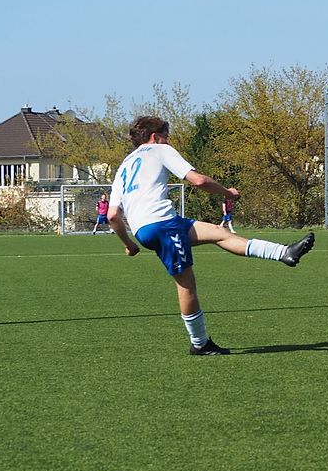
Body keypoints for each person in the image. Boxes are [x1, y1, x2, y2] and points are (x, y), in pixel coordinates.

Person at [107, 116, 315, 355]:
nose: (169, 141)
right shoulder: (160, 150)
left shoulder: (124, 166)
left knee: (219, 232)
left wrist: (129, 244)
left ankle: (284, 253)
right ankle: (200, 343)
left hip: (150, 227)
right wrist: (228, 193)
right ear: (155, 137)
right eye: (166, 136)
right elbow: (199, 181)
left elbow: (112, 215)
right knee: (186, 285)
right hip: (163, 225)